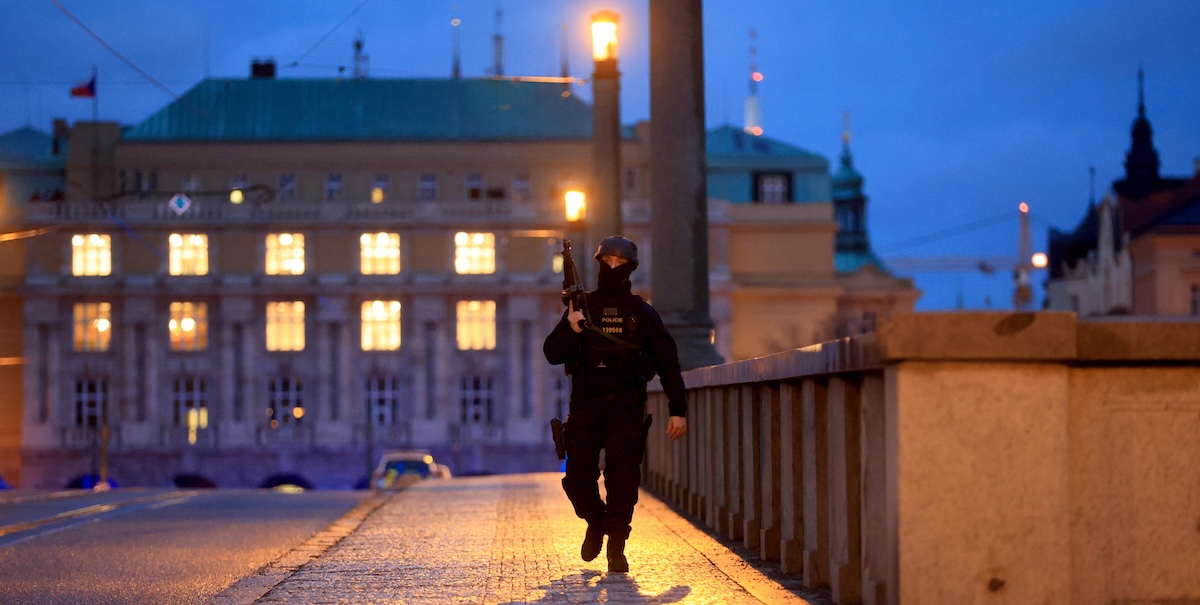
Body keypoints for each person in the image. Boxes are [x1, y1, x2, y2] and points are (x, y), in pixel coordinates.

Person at [543, 235, 688, 573]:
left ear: (631, 268)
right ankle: (597, 522)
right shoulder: (581, 308)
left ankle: (616, 547)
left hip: (626, 408)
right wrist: (571, 328)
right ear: (597, 264)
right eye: (606, 262)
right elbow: (552, 353)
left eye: (619, 263)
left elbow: (668, 362)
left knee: (622, 481)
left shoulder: (642, 313)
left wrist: (678, 409)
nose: (611, 268)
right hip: (585, 408)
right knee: (577, 479)